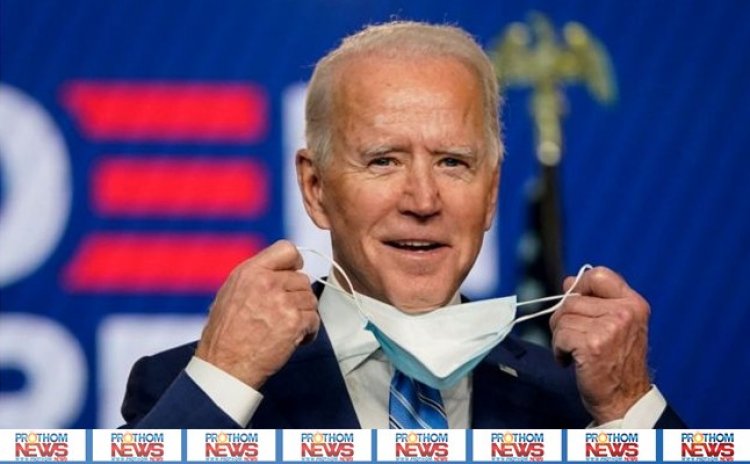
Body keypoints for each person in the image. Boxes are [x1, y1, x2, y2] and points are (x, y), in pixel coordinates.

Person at [121, 21, 684, 429]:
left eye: (453, 163)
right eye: (384, 161)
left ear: (490, 194)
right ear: (315, 188)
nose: (423, 199)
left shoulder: (578, 401)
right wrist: (224, 380)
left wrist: (627, 407)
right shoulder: (198, 388)